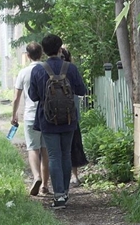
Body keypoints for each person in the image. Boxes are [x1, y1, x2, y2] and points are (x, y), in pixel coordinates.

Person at [29, 34, 87, 209]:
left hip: (47, 120)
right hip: (69, 119)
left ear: (44, 51)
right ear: (60, 48)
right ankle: (66, 192)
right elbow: (82, 90)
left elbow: (33, 96)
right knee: (66, 154)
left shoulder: (38, 70)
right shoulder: (70, 68)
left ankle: (59, 195)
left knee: (53, 155)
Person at [11, 42, 50, 196]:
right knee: (45, 149)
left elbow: (16, 98)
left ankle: (36, 177)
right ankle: (45, 186)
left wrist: (14, 115)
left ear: (27, 55)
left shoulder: (23, 72)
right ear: (42, 54)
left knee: (33, 148)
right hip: (47, 114)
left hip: (30, 115)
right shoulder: (47, 69)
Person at [61, 46, 88, 186]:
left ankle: (55, 181)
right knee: (72, 145)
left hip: (50, 116)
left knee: (53, 150)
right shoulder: (71, 68)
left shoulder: (45, 68)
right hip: (71, 115)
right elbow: (82, 91)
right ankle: (74, 176)